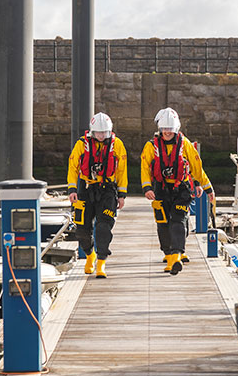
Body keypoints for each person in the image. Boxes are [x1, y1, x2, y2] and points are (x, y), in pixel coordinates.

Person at [140, 107, 213, 275]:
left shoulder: (185, 144)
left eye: (170, 129)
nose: (167, 132)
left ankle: (176, 256)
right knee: (163, 223)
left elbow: (196, 167)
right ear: (160, 129)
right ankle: (168, 254)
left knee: (178, 221)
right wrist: (147, 188)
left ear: (176, 129)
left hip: (181, 189)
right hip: (161, 189)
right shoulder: (151, 147)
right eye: (164, 129)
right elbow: (145, 168)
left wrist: (206, 186)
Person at [67, 112, 127, 278]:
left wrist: (122, 194)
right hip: (85, 189)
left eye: (104, 133)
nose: (101, 136)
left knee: (103, 227)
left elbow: (122, 170)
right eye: (98, 133)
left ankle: (101, 262)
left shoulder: (118, 145)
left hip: (108, 190)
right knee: (81, 230)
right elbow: (73, 166)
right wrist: (72, 189)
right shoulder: (81, 144)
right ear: (92, 132)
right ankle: (89, 255)